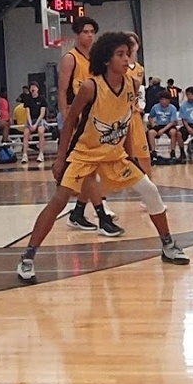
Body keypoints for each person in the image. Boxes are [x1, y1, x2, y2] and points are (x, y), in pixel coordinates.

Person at [16, 31, 190, 281]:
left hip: (114, 155)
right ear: (106, 60)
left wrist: (129, 154)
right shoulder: (90, 86)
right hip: (83, 154)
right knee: (59, 201)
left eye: (127, 54)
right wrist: (60, 157)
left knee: (150, 191)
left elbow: (128, 119)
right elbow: (70, 120)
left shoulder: (132, 84)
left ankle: (168, 245)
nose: (125, 58)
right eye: (119, 54)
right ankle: (28, 257)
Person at [57, 18, 119, 235]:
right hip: (78, 121)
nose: (89, 35)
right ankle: (101, 213)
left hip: (95, 122)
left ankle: (78, 212)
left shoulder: (96, 59)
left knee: (92, 169)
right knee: (90, 170)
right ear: (77, 34)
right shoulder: (70, 59)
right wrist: (67, 118)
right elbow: (62, 91)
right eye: (85, 32)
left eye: (92, 31)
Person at [125, 32, 152, 176]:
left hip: (135, 114)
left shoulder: (139, 69)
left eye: (133, 43)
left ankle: (149, 185)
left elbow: (138, 92)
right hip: (120, 114)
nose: (131, 46)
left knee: (143, 153)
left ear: (137, 45)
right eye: (127, 43)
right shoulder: (118, 66)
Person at [147, 93, 181, 162]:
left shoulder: (172, 108)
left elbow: (173, 122)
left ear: (169, 100)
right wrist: (153, 124)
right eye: (162, 99)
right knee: (150, 133)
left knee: (173, 132)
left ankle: (172, 151)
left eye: (165, 99)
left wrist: (163, 130)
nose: (163, 101)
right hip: (159, 125)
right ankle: (153, 152)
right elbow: (150, 116)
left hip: (169, 125)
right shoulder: (155, 107)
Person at [19, 82, 48, 164]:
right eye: (31, 87)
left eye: (34, 87)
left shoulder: (42, 99)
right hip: (30, 119)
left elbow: (42, 113)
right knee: (25, 134)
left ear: (38, 89)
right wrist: (31, 124)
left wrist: (36, 124)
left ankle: (41, 153)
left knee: (41, 132)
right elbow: (27, 113)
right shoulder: (28, 100)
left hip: (40, 119)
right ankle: (24, 155)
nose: (33, 88)